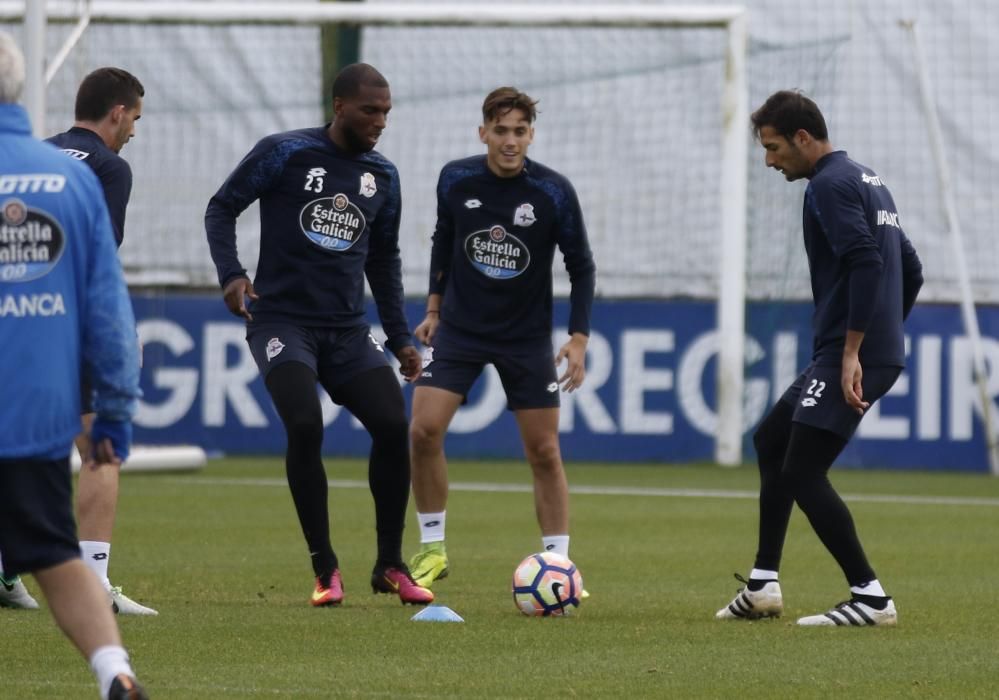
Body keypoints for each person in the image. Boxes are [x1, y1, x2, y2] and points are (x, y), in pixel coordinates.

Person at [205, 63, 432, 607]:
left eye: (386, 112)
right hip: (281, 322)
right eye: (369, 111)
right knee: (305, 424)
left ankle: (390, 565)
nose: (380, 121)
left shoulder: (384, 175)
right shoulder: (284, 152)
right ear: (339, 107)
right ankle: (325, 568)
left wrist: (400, 336)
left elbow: (384, 258)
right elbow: (221, 208)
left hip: (348, 331)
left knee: (391, 423)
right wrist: (233, 275)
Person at [716, 90, 923, 627]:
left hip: (847, 354)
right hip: (856, 350)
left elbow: (864, 260)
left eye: (774, 147)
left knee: (804, 471)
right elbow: (910, 266)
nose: (769, 160)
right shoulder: (866, 178)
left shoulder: (828, 186)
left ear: (803, 139)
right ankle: (763, 583)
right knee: (772, 441)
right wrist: (881, 336)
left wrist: (856, 349)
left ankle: (871, 598)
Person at [0, 31, 148, 699]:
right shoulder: (81, 176)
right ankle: (113, 669)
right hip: (34, 389)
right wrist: (115, 401)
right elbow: (104, 295)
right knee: (57, 550)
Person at [406, 87, 596, 590]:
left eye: (519, 131)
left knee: (544, 452)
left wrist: (578, 337)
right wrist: (433, 308)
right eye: (500, 131)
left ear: (531, 134)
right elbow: (444, 240)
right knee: (423, 430)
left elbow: (582, 266)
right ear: (483, 132)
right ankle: (431, 548)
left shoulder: (553, 192)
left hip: (525, 338)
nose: (509, 141)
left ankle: (558, 566)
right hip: (461, 331)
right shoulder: (456, 178)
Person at [38, 66, 153, 616]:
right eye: (134, 119)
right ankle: (93, 583)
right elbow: (96, 256)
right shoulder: (110, 168)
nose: (133, 131)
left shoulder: (30, 156)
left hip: (17, 317)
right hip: (73, 320)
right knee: (100, 451)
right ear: (117, 113)